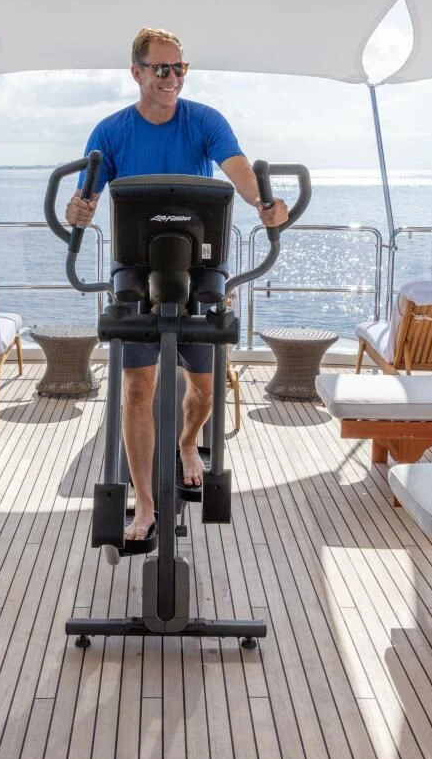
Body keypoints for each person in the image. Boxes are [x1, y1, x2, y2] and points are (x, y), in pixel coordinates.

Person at [65, 27, 288, 542]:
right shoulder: (110, 131)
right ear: (137, 72)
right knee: (137, 386)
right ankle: (144, 505)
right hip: (135, 266)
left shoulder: (205, 121)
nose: (172, 78)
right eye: (161, 68)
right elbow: (84, 200)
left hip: (199, 265)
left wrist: (263, 205)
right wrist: (76, 210)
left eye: (179, 68)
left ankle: (189, 443)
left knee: (205, 388)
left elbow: (239, 172)